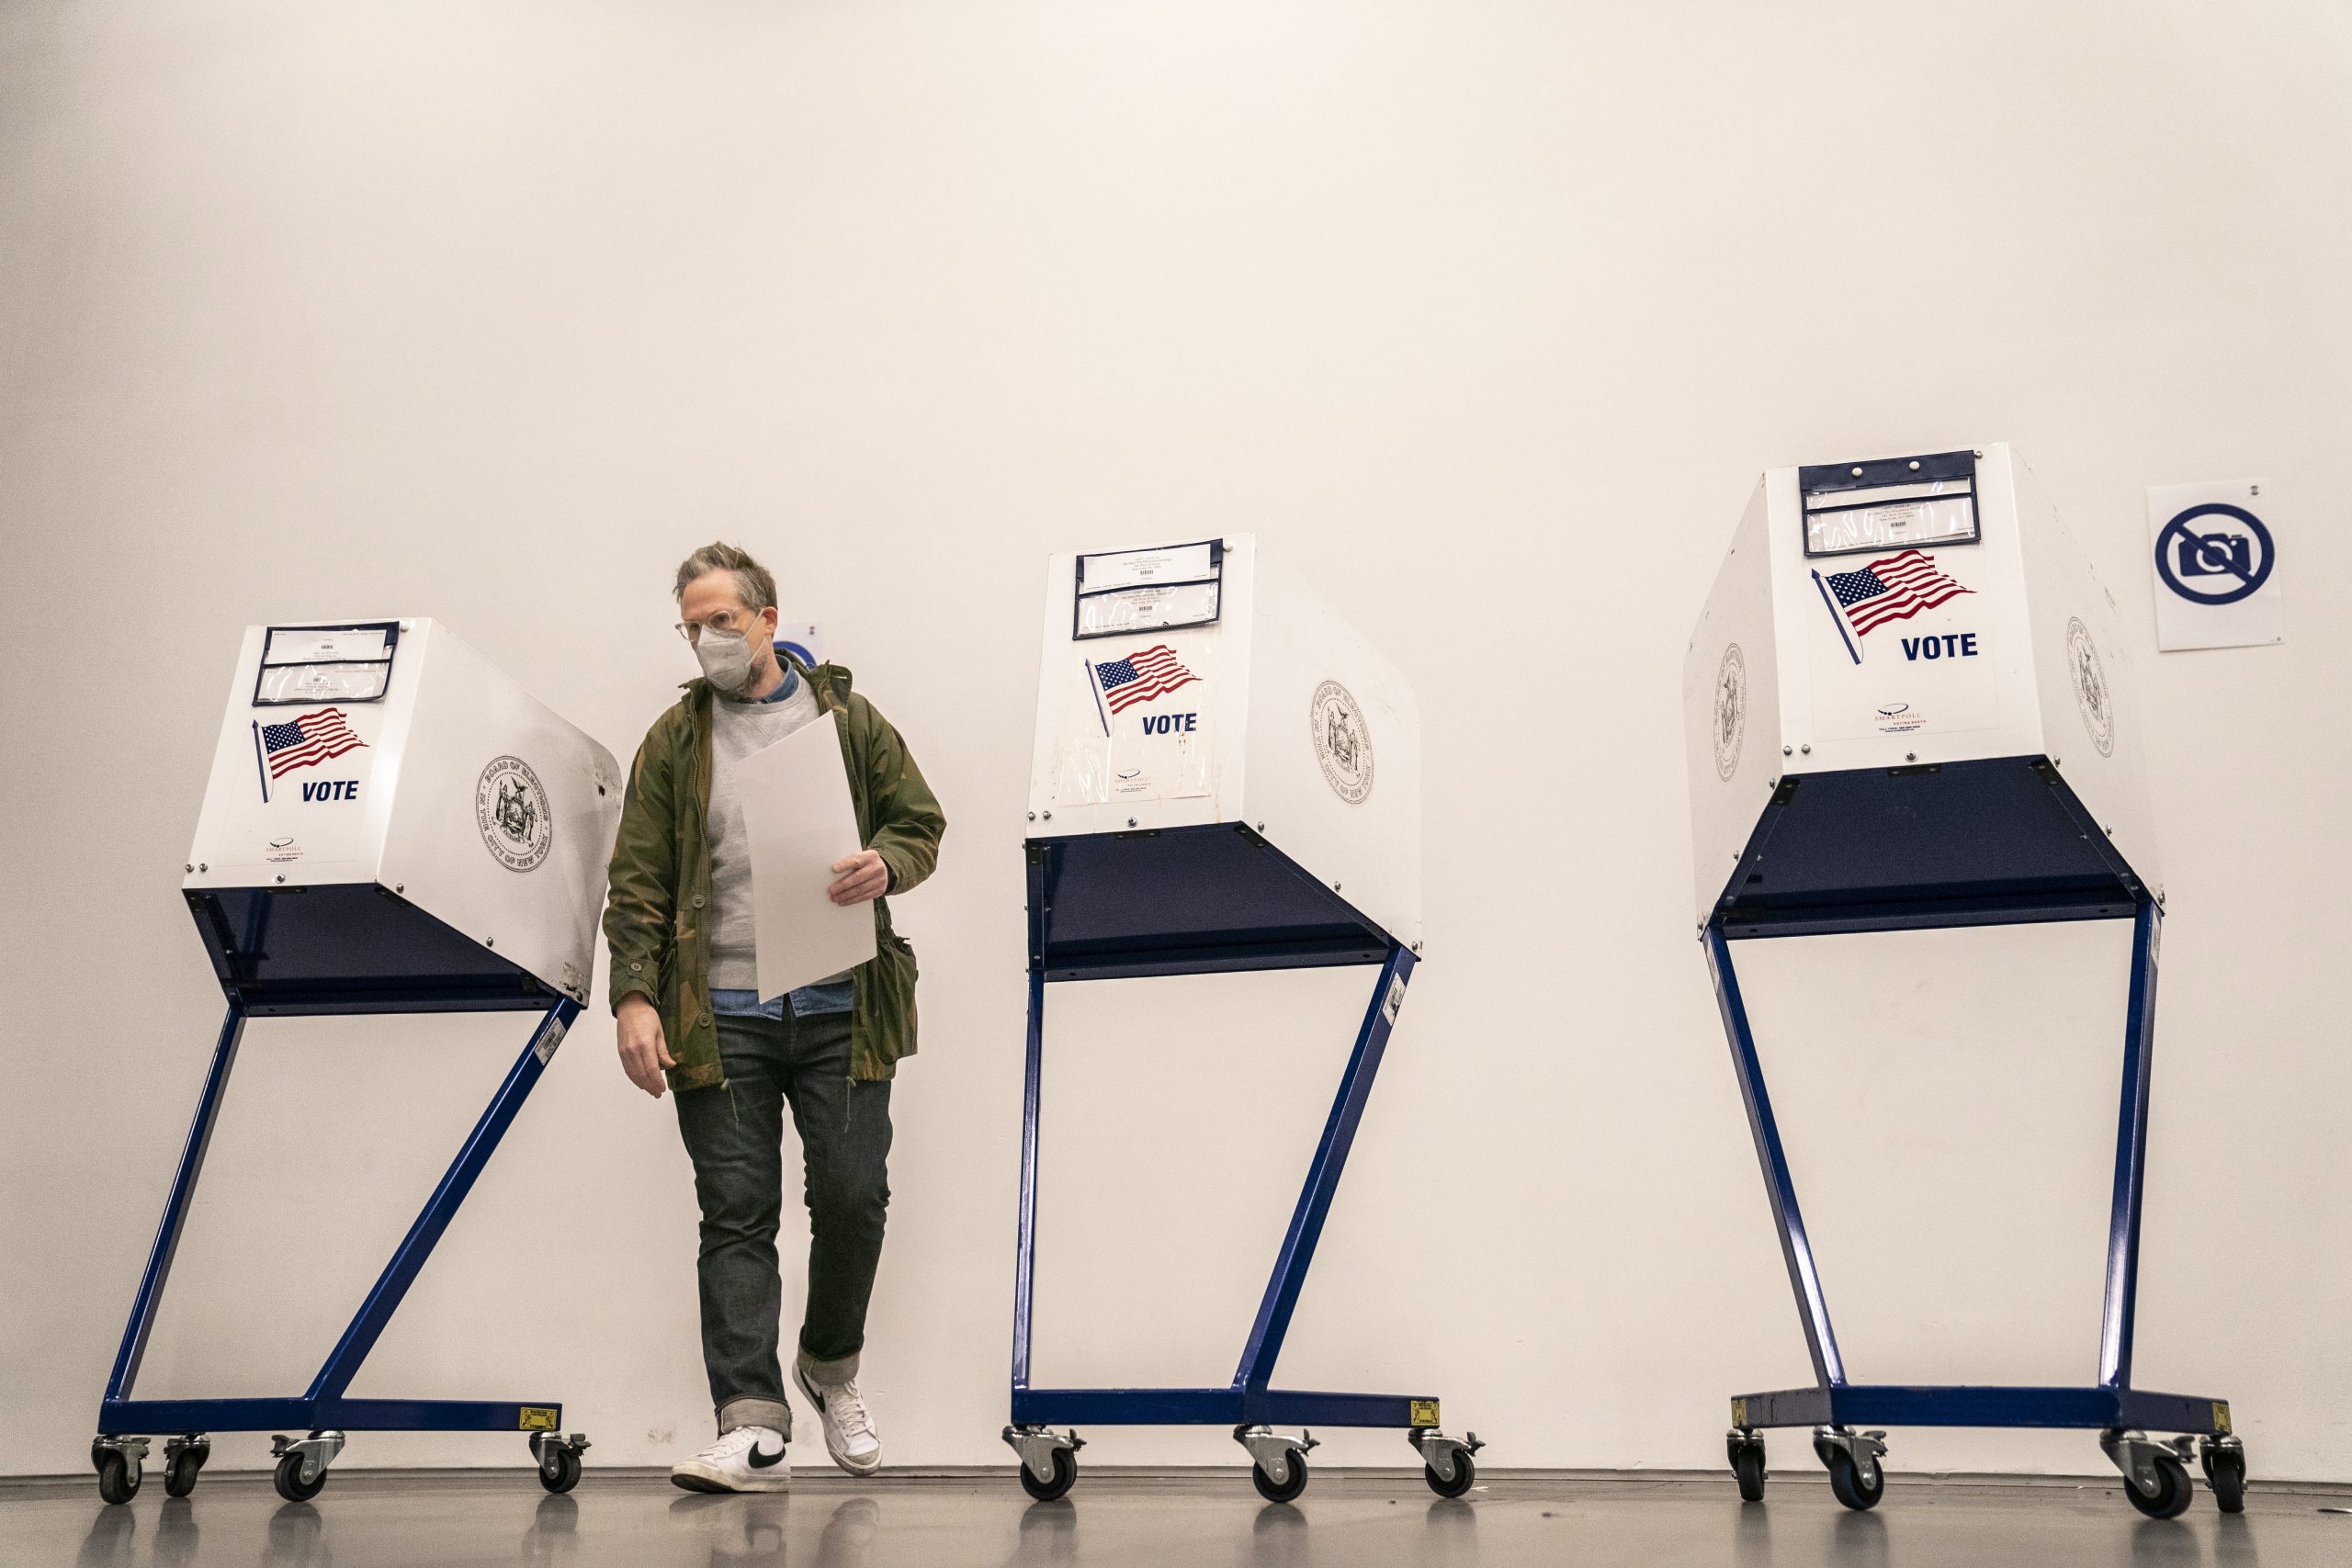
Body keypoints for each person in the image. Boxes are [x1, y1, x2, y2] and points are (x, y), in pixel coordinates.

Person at [604, 542, 944, 1493]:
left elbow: (919, 824)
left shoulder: (848, 720)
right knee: (736, 1214)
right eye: (691, 626)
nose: (706, 639)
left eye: (721, 620)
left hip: (843, 1005)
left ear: (766, 618)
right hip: (720, 1014)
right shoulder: (676, 740)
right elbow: (636, 880)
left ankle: (829, 1366)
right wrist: (633, 996)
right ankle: (751, 1421)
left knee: (853, 1199)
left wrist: (887, 862)